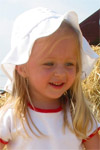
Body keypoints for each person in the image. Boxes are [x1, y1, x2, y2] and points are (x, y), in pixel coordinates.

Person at [0, 7, 100, 150]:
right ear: (22, 67)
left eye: (69, 64)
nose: (60, 73)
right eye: (49, 64)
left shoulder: (79, 116)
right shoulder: (11, 117)